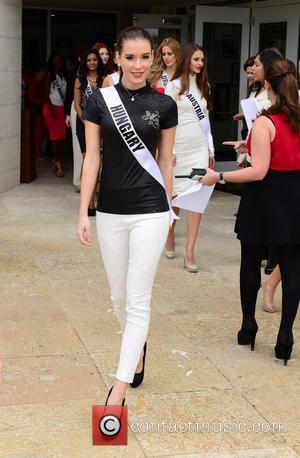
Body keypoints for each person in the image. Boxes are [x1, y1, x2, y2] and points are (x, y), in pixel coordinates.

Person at [78, 26, 178, 405]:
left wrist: (168, 206)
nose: (138, 65)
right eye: (130, 57)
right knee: (119, 298)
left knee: (138, 299)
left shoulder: (164, 105)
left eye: (145, 57)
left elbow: (166, 160)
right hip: (110, 210)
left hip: (151, 210)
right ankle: (136, 352)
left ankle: (118, 388)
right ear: (117, 58)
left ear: (153, 59)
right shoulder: (99, 101)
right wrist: (84, 211)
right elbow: (92, 157)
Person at [201, 57, 300, 365]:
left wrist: (218, 177)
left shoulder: (264, 122)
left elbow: (258, 172)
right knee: (293, 267)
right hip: (294, 196)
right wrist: (252, 145)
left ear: (266, 84)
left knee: (250, 261)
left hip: (264, 198)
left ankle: (248, 326)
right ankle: (285, 336)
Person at [165, 43, 215, 272]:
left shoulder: (204, 86)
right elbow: (164, 124)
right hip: (178, 148)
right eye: (196, 59)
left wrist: (211, 150)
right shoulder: (173, 87)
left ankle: (190, 250)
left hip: (198, 148)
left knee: (196, 198)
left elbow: (206, 123)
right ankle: (170, 234)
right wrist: (169, 151)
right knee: (175, 194)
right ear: (186, 60)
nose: (200, 63)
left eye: (202, 60)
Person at [74, 49, 104, 215]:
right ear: (85, 62)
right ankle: (88, 203)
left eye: (94, 59)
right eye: (89, 60)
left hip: (101, 124)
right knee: (88, 161)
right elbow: (77, 105)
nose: (92, 62)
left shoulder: (104, 79)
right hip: (83, 123)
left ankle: (94, 201)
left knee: (99, 162)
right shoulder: (80, 79)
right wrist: (85, 121)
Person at [43, 52, 67, 177]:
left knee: (62, 137)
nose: (58, 63)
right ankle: (57, 163)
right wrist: (52, 109)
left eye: (60, 60)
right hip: (51, 108)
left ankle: (57, 158)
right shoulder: (49, 75)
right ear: (52, 63)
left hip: (61, 108)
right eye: (55, 61)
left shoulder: (64, 75)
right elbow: (45, 94)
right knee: (54, 137)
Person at [27, 63, 47, 160]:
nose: (43, 74)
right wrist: (42, 102)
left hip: (40, 111)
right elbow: (30, 98)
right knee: (37, 134)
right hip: (36, 112)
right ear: (36, 73)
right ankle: (37, 154)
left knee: (40, 133)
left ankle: (39, 153)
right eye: (41, 72)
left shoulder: (41, 82)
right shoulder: (35, 82)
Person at [233, 56, 255, 140]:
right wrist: (244, 115)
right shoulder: (251, 88)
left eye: (252, 73)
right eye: (247, 73)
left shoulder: (266, 89)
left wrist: (245, 114)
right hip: (247, 130)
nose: (249, 76)